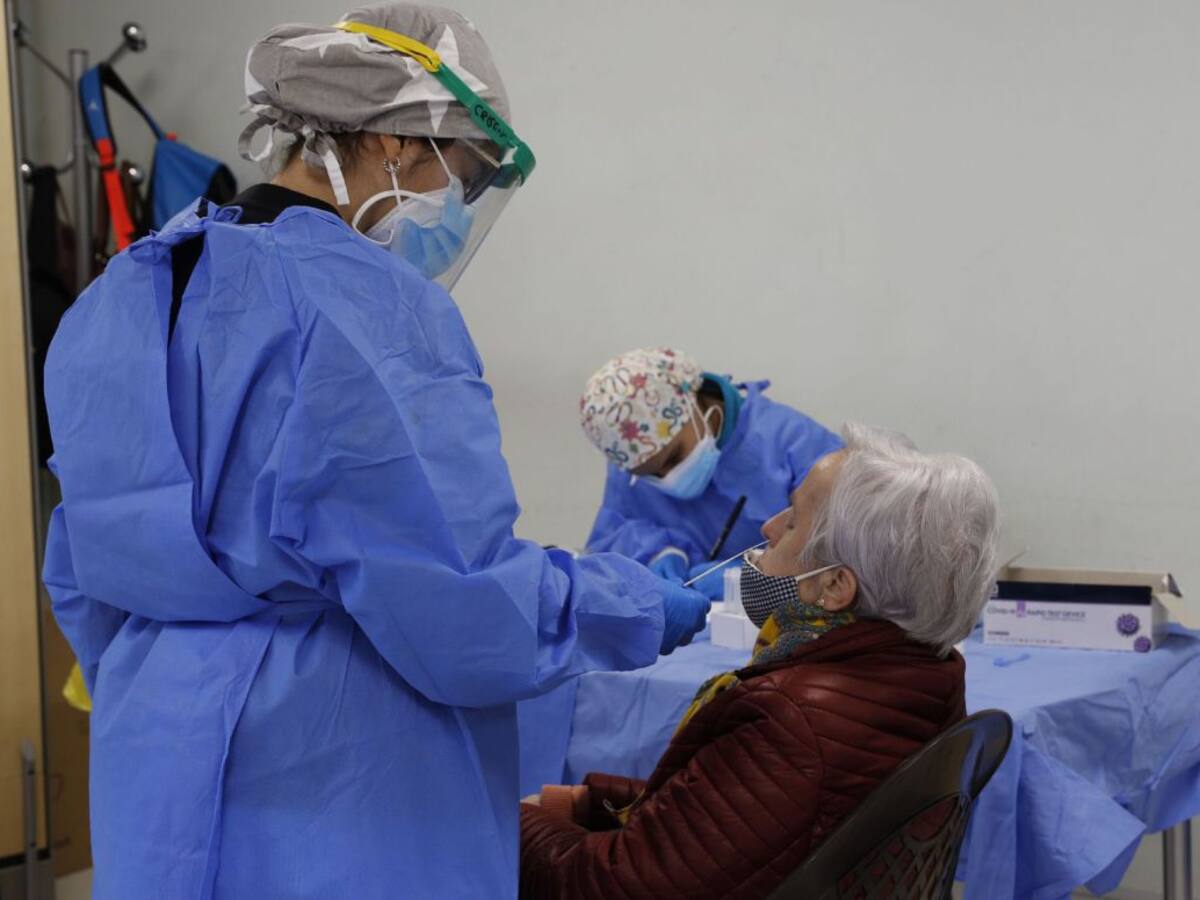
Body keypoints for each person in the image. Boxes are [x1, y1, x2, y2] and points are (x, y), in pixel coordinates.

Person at [41, 5, 708, 898]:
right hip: (335, 771)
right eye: (464, 174)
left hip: (154, 755)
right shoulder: (371, 312)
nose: (458, 206)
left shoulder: (119, 294)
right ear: (397, 140)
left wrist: (176, 673)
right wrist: (631, 606)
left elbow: (79, 573)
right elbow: (460, 606)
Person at [519, 424, 1000, 899]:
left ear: (834, 585)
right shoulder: (926, 673)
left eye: (792, 523)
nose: (768, 527)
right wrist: (586, 801)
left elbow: (610, 887)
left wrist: (509, 823)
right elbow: (741, 816)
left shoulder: (791, 717)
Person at [580, 347, 844, 597]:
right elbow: (612, 534)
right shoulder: (632, 456)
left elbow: (846, 548)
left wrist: (757, 577)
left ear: (695, 406)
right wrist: (657, 553)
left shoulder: (794, 443)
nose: (669, 477)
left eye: (674, 456)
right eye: (653, 475)